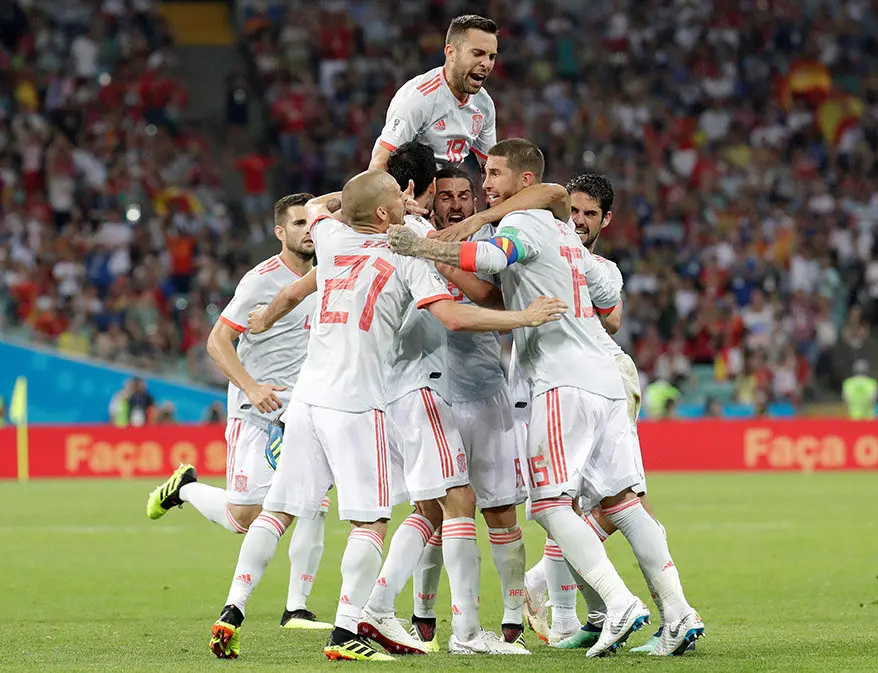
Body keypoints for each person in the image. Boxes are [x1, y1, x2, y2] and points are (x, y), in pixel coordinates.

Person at [207, 169, 565, 661]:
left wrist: (265, 317)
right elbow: (455, 317)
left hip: (307, 398)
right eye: (398, 196)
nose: (408, 200)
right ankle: (346, 633)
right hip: (358, 403)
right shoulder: (405, 253)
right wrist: (524, 317)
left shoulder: (330, 239)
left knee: (278, 510)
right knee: (371, 522)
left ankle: (233, 610)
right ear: (382, 214)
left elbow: (317, 208)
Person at [389, 139, 704, 658]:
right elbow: (607, 299)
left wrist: (421, 246)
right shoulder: (570, 239)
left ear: (524, 182)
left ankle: (616, 603)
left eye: (494, 174)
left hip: (562, 383)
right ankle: (678, 614)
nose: (486, 184)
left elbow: (490, 255)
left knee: (551, 503)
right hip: (607, 378)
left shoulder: (526, 226)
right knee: (624, 503)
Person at [357, 144, 528, 655]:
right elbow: (463, 310)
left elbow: (491, 295)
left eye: (465, 195)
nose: (455, 203)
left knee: (486, 509)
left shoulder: (488, 243)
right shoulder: (411, 243)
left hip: (483, 390)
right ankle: (433, 619)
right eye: (445, 194)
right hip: (431, 392)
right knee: (444, 505)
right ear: (430, 198)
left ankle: (508, 618)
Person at [146, 193, 331, 630]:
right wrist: (252, 387)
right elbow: (217, 342)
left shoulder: (330, 271)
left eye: (313, 222)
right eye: (299, 223)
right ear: (280, 232)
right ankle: (185, 489)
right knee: (243, 518)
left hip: (304, 406)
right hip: (256, 408)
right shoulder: (260, 280)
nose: (309, 230)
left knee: (314, 502)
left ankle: (297, 609)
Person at [369, 15, 498, 170]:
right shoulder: (419, 99)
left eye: (491, 57)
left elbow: (491, 168)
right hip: (410, 190)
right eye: (477, 53)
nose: (486, 64)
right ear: (451, 53)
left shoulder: (484, 104)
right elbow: (379, 164)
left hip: (450, 188)